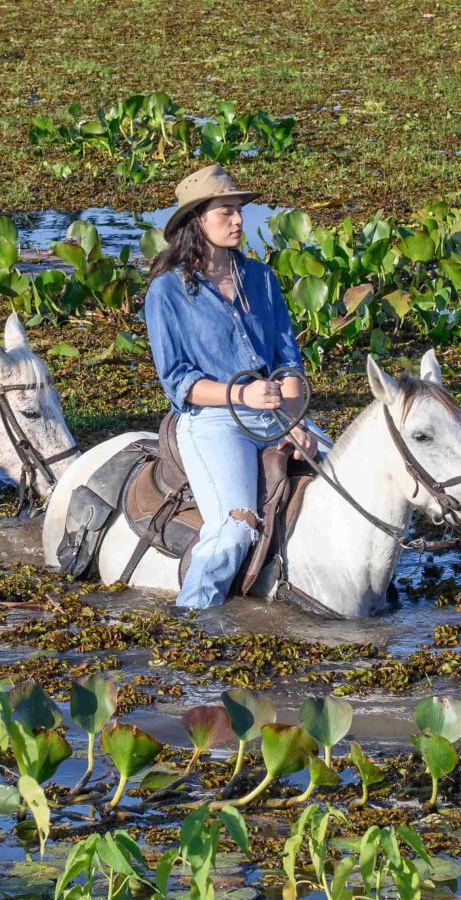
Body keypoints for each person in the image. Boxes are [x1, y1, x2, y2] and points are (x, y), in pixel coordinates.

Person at [141, 164, 324, 611]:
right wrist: (240, 395)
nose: (239, 221)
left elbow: (287, 361)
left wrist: (294, 420)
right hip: (213, 421)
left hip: (276, 410)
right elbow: (178, 382)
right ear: (197, 220)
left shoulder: (261, 278)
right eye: (227, 212)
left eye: (240, 210)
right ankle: (193, 617)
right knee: (234, 528)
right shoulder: (166, 292)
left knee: (350, 483)